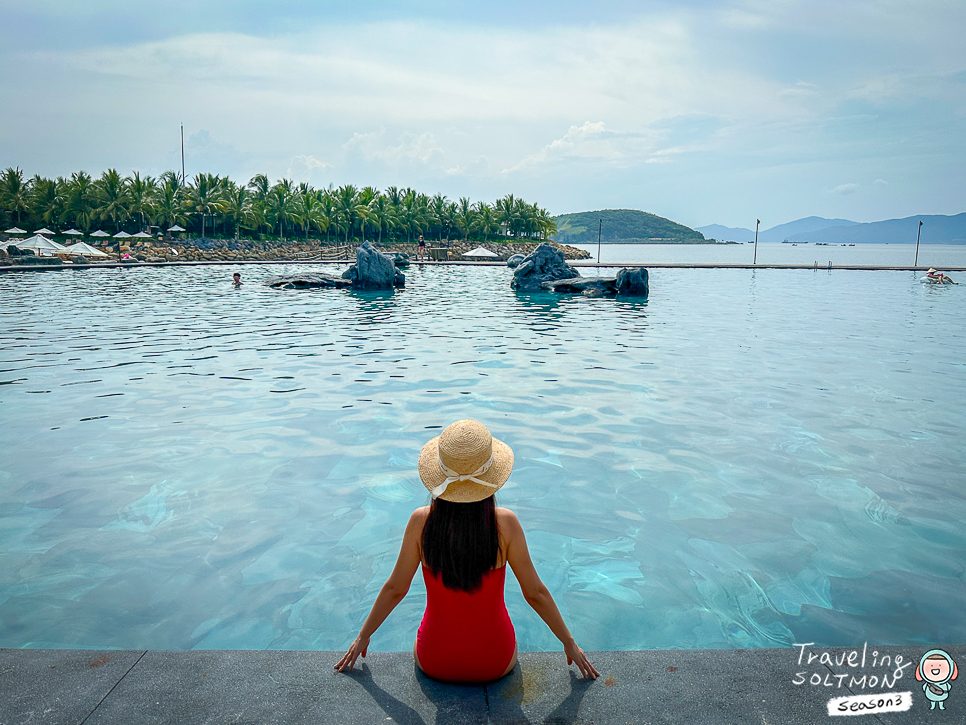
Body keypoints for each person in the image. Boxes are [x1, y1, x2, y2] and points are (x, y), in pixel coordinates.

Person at [334, 420, 599, 682]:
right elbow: (535, 593)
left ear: (439, 471)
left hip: (434, 660)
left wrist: (363, 636)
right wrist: (569, 643)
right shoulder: (506, 524)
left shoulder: (420, 522)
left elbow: (395, 589)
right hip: (496, 661)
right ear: (490, 476)